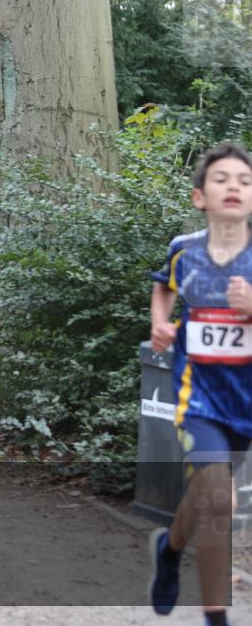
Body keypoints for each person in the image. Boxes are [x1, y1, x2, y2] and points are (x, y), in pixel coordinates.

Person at [148, 142, 252, 626]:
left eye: (245, 181)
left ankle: (169, 549)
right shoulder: (183, 250)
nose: (234, 186)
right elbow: (163, 285)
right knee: (218, 498)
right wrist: (161, 324)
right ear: (199, 197)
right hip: (202, 399)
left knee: (208, 499)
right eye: (222, 179)